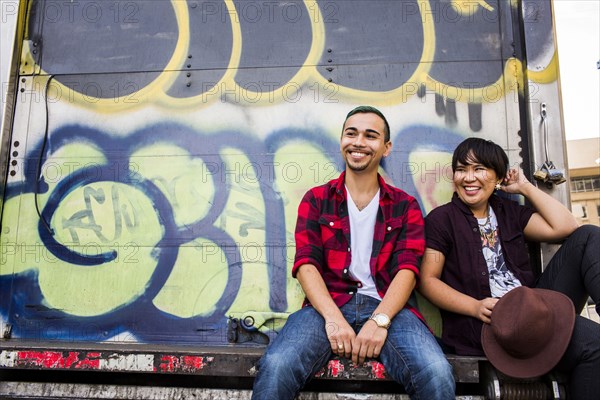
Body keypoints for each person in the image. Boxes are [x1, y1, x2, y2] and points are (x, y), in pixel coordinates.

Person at [251, 106, 455, 400]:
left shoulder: (405, 205)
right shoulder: (317, 200)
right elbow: (306, 265)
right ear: (341, 141)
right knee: (276, 366)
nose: (359, 142)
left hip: (389, 309)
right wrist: (333, 320)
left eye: (370, 136)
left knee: (436, 372)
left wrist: (379, 321)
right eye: (352, 133)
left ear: (386, 148)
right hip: (325, 308)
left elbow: (407, 270)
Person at [419, 137, 600, 399]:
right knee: (594, 344)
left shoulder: (507, 212)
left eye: (479, 169)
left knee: (588, 236)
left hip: (531, 307)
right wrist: (474, 306)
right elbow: (428, 280)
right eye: (461, 169)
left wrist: (525, 187)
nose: (469, 177)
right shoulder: (442, 220)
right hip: (490, 323)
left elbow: (566, 227)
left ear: (498, 177)